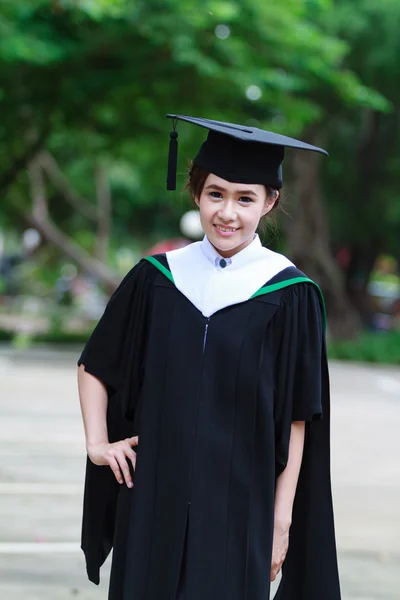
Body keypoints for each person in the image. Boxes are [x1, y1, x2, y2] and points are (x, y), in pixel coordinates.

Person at [77, 115, 341, 600]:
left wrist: (281, 521)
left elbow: (299, 418)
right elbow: (95, 365)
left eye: (246, 199)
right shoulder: (156, 278)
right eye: (216, 194)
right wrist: (98, 443)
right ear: (196, 193)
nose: (228, 213)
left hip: (240, 510)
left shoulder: (289, 293)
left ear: (270, 202)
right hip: (153, 497)